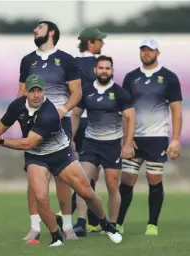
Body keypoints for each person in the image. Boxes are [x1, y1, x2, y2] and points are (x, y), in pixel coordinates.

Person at [0, 74, 123, 247]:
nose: (36, 95)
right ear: (25, 92)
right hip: (36, 156)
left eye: (39, 90)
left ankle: (106, 224)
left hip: (60, 154)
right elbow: (1, 127)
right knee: (41, 197)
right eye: (32, 90)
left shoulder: (49, 113)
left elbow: (28, 142)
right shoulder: (17, 106)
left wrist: (0, 141)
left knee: (87, 193)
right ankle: (56, 236)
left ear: (44, 91)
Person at [18, 21, 82, 242]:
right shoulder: (27, 60)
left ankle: (67, 227)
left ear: (51, 32)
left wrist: (63, 109)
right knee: (34, 178)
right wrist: (22, 121)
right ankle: (35, 227)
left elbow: (76, 93)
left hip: (59, 124)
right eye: (34, 28)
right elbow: (21, 94)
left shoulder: (66, 60)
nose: (34, 30)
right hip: (33, 125)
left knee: (62, 178)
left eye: (39, 27)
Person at [117, 39, 183, 235]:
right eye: (143, 50)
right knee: (127, 180)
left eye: (150, 50)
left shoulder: (169, 77)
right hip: (134, 137)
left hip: (157, 137)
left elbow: (176, 110)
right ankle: (118, 222)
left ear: (157, 53)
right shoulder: (131, 78)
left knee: (153, 179)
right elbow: (125, 111)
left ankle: (152, 224)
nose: (146, 53)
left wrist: (176, 139)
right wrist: (126, 138)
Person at [71, 56, 136, 236]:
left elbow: (131, 117)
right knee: (82, 182)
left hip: (112, 145)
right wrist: (71, 138)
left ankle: (112, 226)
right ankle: (81, 224)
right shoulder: (86, 91)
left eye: (108, 68)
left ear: (112, 71)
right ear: (95, 70)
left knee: (112, 185)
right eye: (101, 68)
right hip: (90, 143)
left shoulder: (120, 93)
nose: (104, 71)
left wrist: (128, 143)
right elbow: (76, 114)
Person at [70, 27, 107, 235]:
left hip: (75, 121)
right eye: (100, 41)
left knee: (83, 171)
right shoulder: (99, 66)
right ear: (90, 43)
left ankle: (87, 219)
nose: (102, 44)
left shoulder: (72, 64)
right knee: (90, 172)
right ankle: (83, 219)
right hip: (94, 122)